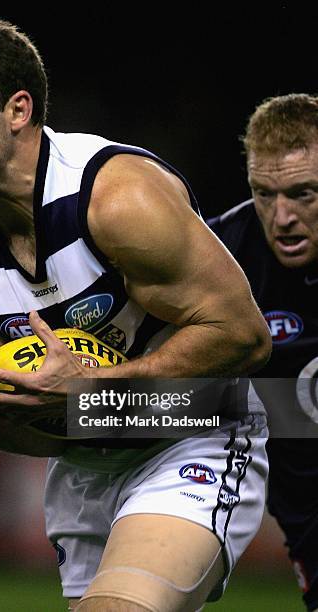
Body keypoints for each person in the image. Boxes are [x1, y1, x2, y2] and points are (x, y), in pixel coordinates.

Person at [0, 17, 271, 612]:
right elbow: (34, 426)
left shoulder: (116, 197)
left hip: (195, 431)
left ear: (18, 110)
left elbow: (245, 338)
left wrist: (92, 390)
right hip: (86, 469)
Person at [208, 93, 318, 612]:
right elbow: (178, 397)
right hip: (305, 508)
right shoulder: (221, 258)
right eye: (263, 193)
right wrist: (78, 403)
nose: (282, 218)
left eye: (303, 194)